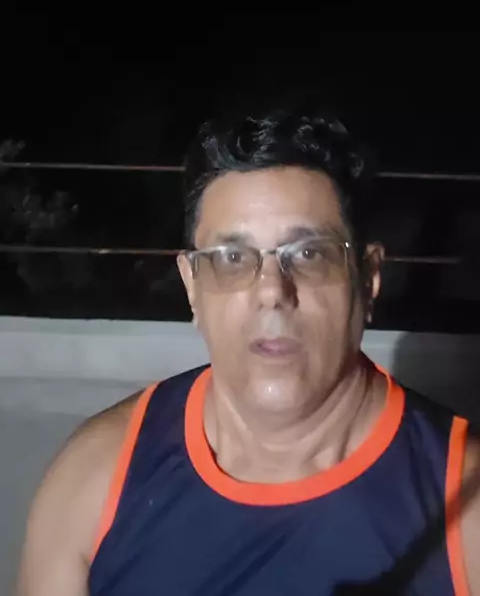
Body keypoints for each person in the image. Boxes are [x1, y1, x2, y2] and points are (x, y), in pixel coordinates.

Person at [16, 102, 480, 595]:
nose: (272, 291)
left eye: (309, 253)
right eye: (232, 258)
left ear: (368, 279)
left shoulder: (465, 501)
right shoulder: (98, 475)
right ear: (192, 286)